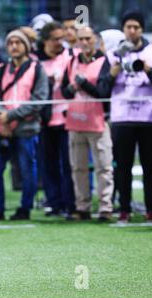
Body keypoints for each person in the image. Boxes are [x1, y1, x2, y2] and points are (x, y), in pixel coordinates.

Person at [99, 10, 152, 223]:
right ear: (123, 29)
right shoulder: (113, 53)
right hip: (122, 117)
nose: (132, 31)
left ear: (142, 29)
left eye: (136, 27)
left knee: (149, 166)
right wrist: (114, 71)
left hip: (150, 117)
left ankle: (151, 209)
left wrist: (149, 70)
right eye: (128, 27)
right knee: (122, 167)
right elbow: (102, 89)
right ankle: (124, 210)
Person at [0, 29, 49, 221]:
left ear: (27, 46)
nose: (14, 46)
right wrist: (2, 115)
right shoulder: (2, 70)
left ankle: (25, 208)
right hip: (3, 129)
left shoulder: (37, 69)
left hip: (26, 128)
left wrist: (11, 116)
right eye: (10, 42)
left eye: (18, 42)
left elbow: (39, 100)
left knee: (27, 170)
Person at [61, 25, 113, 221]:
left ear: (96, 40)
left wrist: (82, 84)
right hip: (75, 121)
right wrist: (73, 87)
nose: (84, 43)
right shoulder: (71, 62)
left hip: (98, 122)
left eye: (88, 39)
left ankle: (105, 207)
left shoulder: (104, 62)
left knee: (104, 166)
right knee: (78, 168)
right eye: (80, 39)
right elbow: (64, 92)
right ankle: (82, 207)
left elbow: (103, 92)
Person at [36, 21, 76, 218]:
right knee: (47, 163)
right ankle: (53, 202)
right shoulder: (36, 61)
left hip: (67, 118)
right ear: (45, 40)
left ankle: (70, 203)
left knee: (68, 164)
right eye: (55, 39)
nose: (60, 42)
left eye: (62, 38)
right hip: (44, 119)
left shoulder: (69, 57)